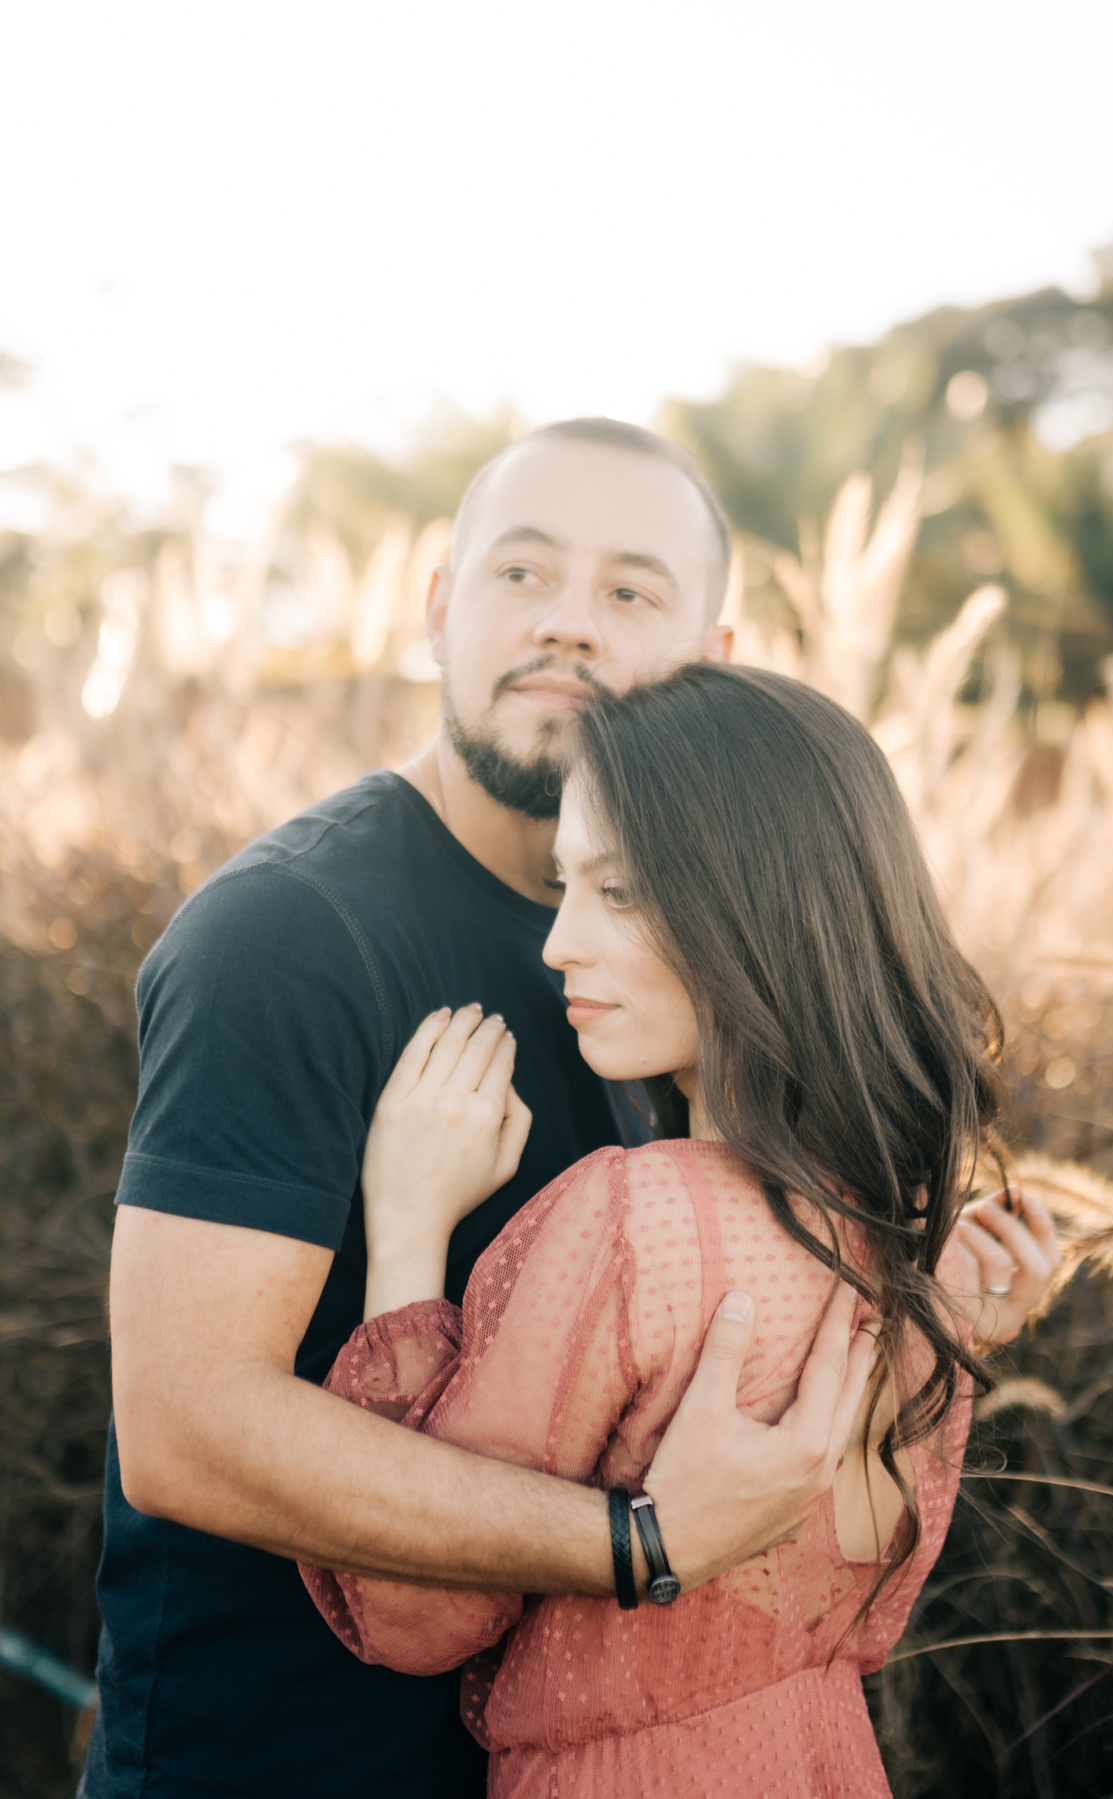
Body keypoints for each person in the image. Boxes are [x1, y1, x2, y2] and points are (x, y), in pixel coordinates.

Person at [87, 420, 892, 1799]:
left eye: (630, 591)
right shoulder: (288, 937)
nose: (568, 625)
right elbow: (186, 1422)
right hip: (285, 1761)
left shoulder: (710, 960)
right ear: (440, 606)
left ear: (712, 654)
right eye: (522, 574)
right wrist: (638, 1537)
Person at [303, 664, 1062, 1797]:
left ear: (756, 902)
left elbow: (416, 1609)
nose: (559, 943)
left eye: (620, 891)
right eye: (566, 886)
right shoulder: (903, 1247)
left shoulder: (632, 1219)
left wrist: (405, 1229)